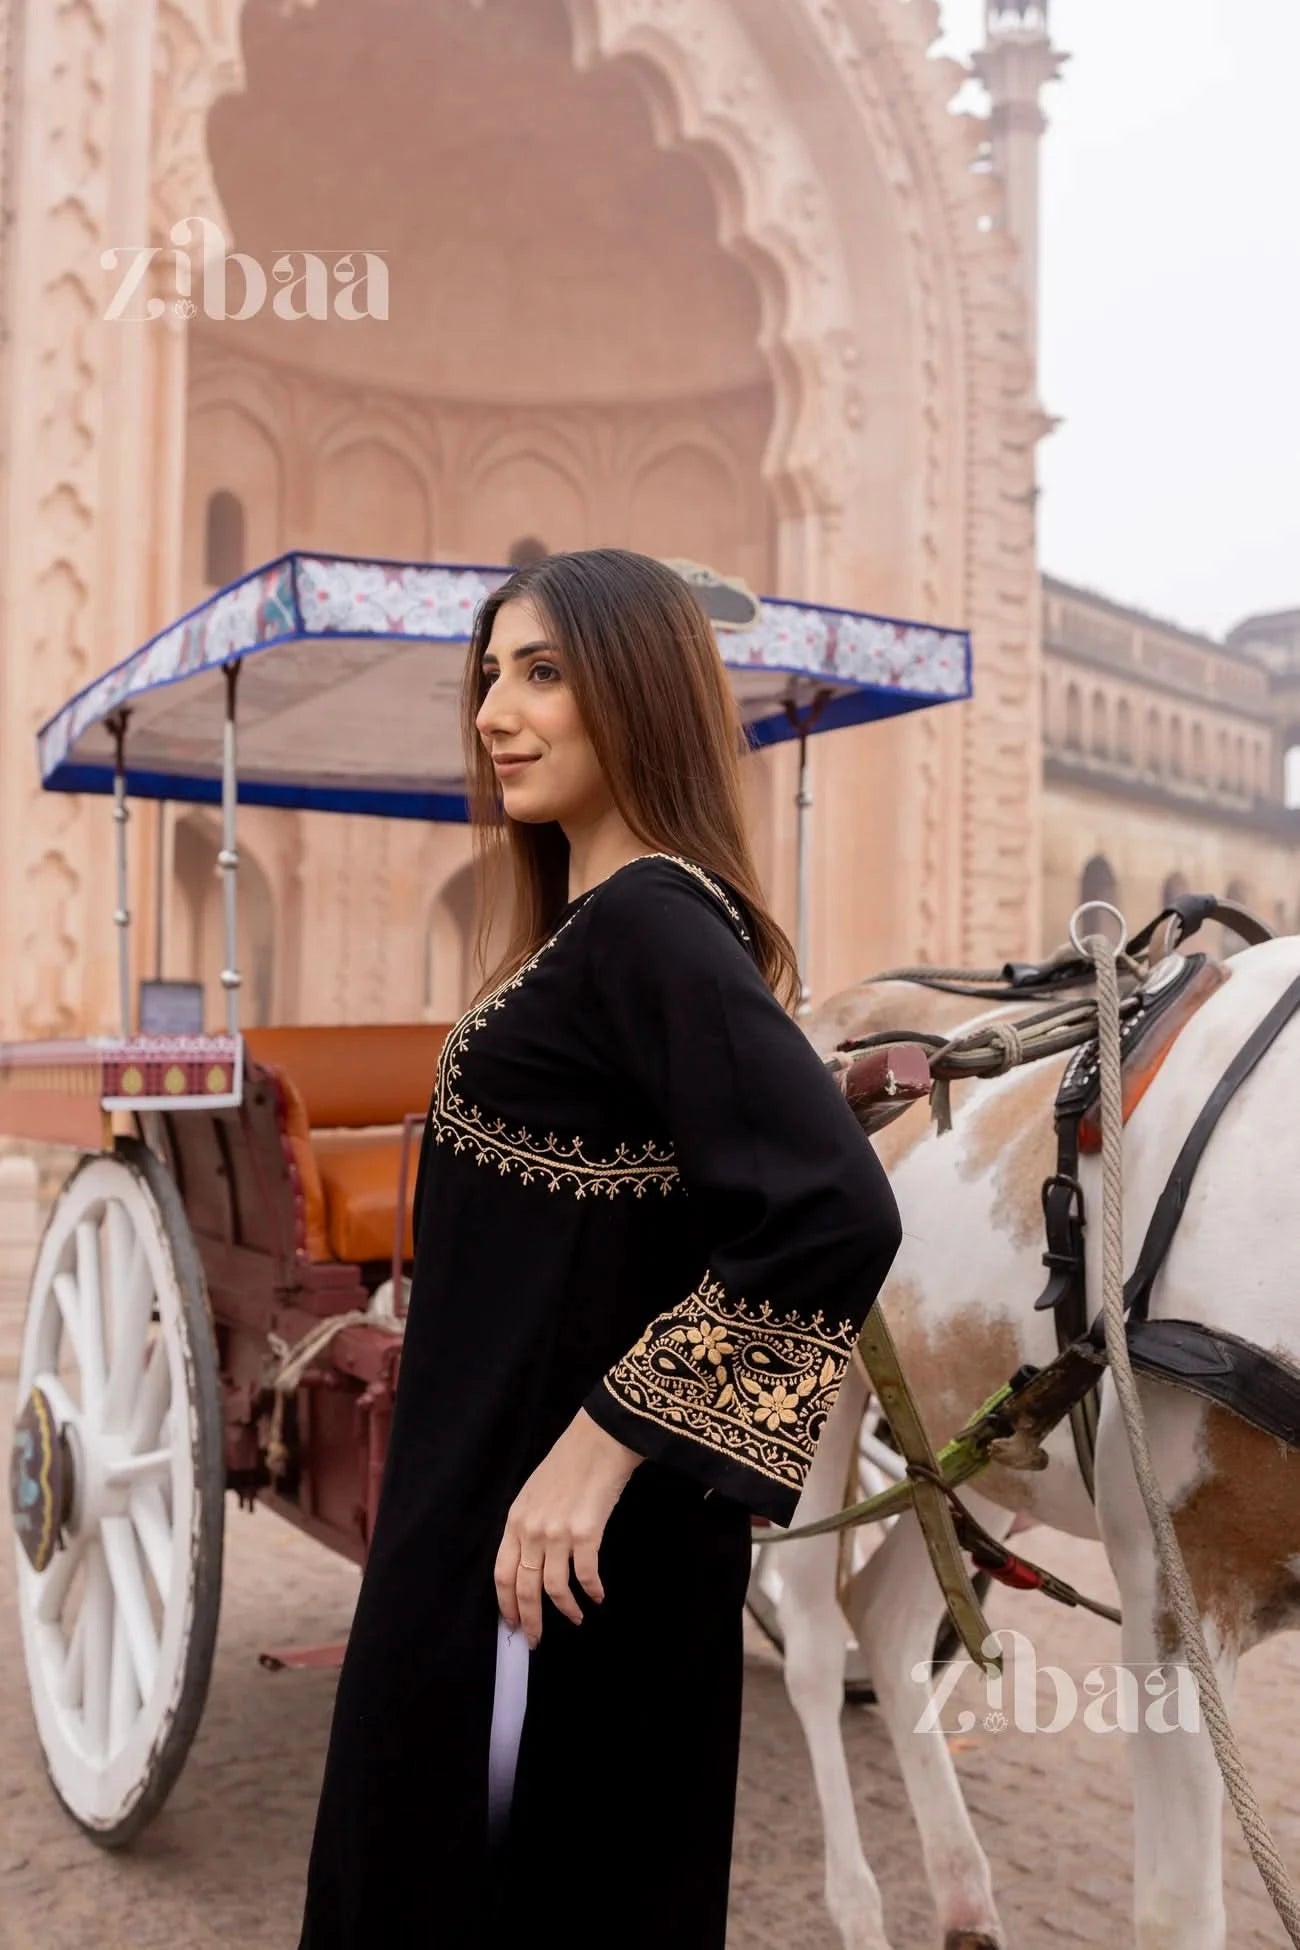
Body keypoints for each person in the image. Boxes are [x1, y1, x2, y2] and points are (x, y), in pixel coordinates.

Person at [297, 548, 902, 1949]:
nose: (497, 711)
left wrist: (600, 1447)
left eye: (545, 672)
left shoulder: (647, 925)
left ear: (638, 691)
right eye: (490, 675)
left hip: (542, 1563)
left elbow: (832, 1209)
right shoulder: (600, 934)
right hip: (491, 1535)